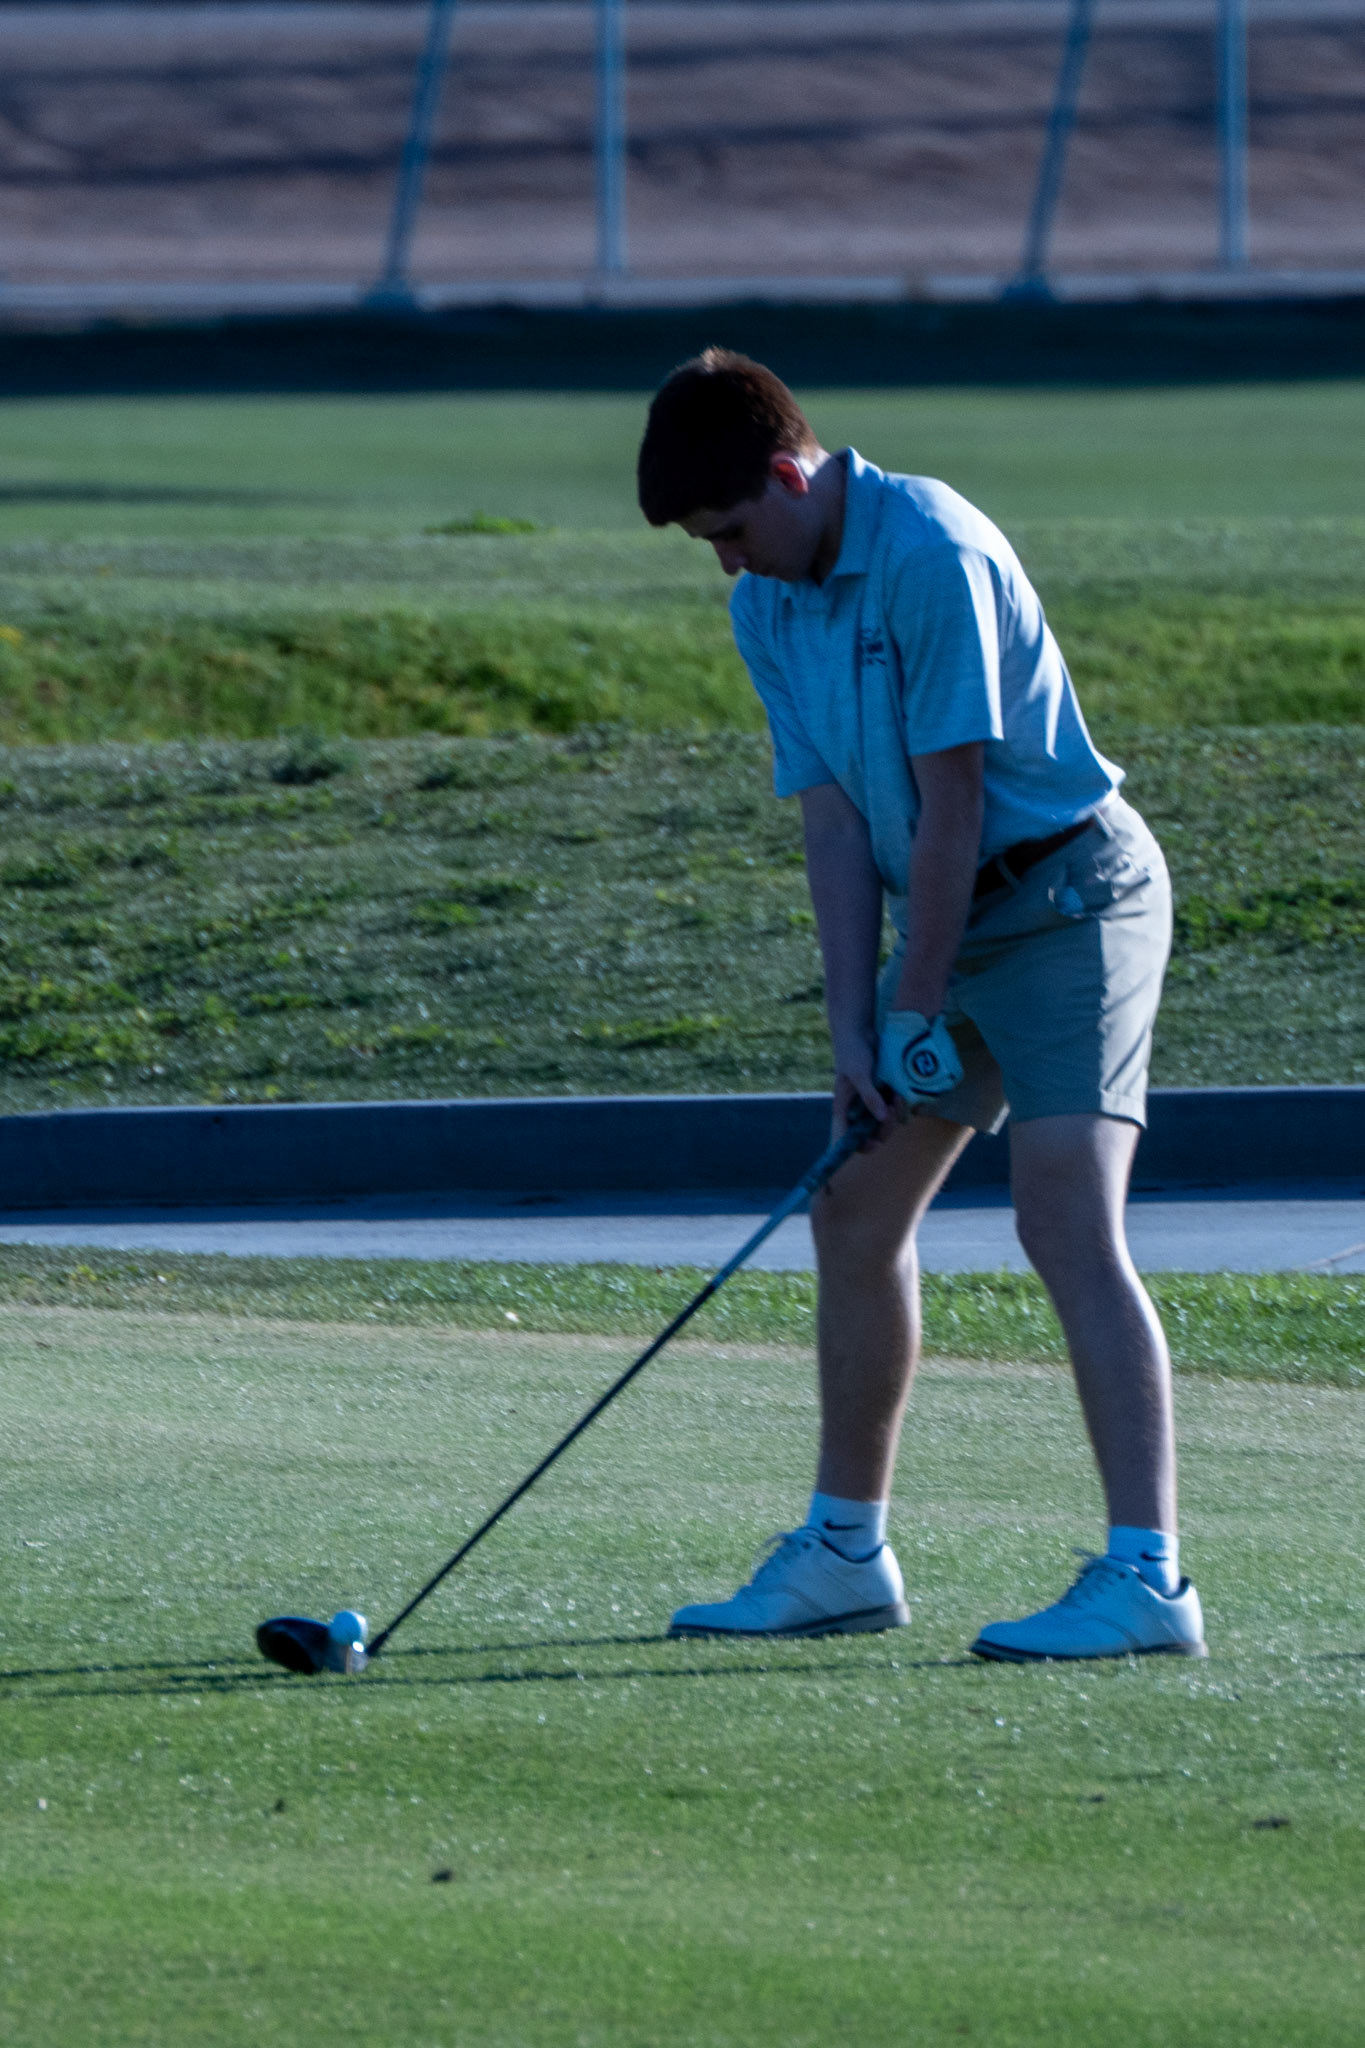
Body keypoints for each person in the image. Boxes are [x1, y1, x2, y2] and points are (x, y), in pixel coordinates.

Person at [635, 348, 1206, 1662]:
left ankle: (1148, 1579)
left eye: (731, 530)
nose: (725, 564)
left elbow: (954, 800)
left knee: (1065, 1215)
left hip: (1074, 899)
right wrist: (853, 1029)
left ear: (790, 476)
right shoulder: (767, 605)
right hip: (952, 923)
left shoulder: (932, 550)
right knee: (852, 1204)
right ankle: (846, 1554)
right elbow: (836, 821)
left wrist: (914, 1003)